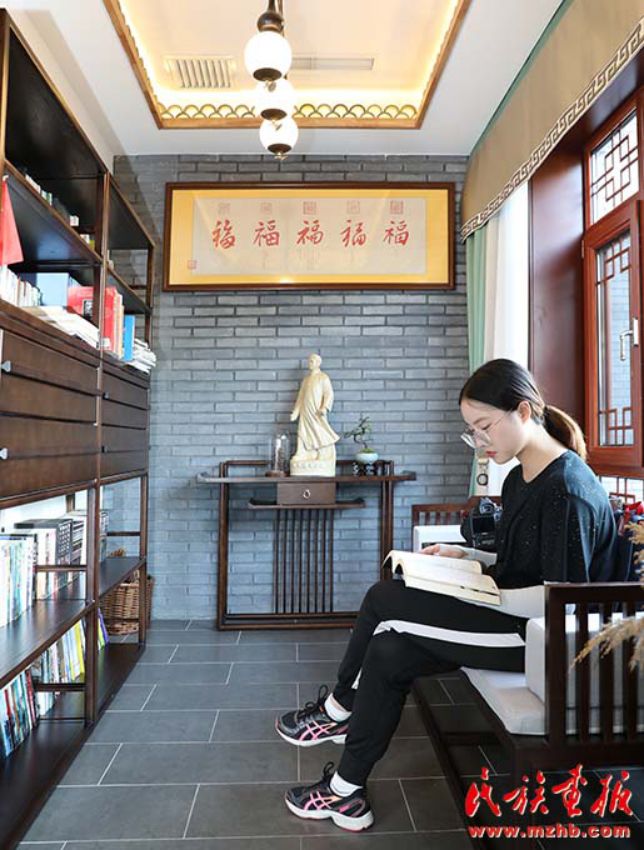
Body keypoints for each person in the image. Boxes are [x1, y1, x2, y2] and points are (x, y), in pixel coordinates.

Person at [276, 358, 617, 832]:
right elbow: (519, 563)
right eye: (472, 431)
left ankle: (338, 709)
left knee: (384, 598)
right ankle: (345, 792)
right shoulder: (521, 476)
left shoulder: (568, 489)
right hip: (508, 617)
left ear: (523, 411)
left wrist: (479, 595)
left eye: (484, 427)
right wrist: (467, 559)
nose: (480, 441)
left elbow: (562, 599)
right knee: (388, 650)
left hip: (538, 640)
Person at [289, 352, 339, 476]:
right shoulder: (306, 380)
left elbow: (329, 394)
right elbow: (300, 397)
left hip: (317, 412)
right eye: (309, 361)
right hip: (305, 411)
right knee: (302, 431)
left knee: (319, 431)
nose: (309, 363)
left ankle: (322, 453)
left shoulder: (323, 377)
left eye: (312, 361)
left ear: (318, 363)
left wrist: (324, 408)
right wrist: (296, 412)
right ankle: (301, 452)